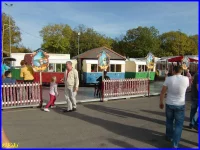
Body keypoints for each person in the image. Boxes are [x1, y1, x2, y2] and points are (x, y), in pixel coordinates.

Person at [159, 66, 189, 148]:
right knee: (179, 125)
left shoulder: (168, 79)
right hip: (180, 104)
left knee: (169, 121)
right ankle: (175, 143)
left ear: (173, 70)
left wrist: (161, 102)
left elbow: (162, 92)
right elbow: (187, 87)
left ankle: (169, 136)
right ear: (181, 71)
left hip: (169, 103)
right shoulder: (186, 79)